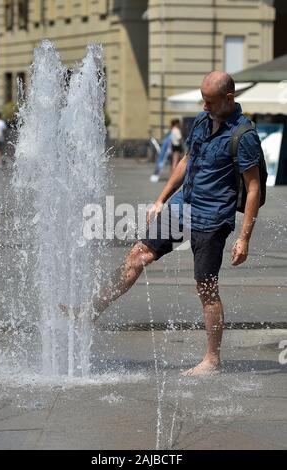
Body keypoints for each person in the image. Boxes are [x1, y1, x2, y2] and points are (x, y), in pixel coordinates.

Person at [62, 71, 262, 377]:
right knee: (137, 255)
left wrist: (244, 237)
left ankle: (212, 360)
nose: (205, 106)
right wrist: (161, 199)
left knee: (206, 287)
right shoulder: (201, 120)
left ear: (229, 99)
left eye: (210, 101)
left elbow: (253, 188)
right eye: (203, 100)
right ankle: (89, 311)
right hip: (183, 206)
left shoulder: (244, 136)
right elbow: (187, 161)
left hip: (212, 218)